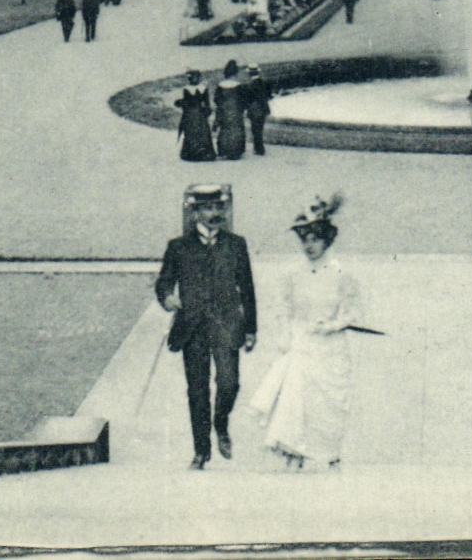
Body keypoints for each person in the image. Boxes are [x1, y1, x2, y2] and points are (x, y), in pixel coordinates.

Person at [250, 194, 361, 472]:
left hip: (331, 346)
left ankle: (330, 453)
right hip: (302, 342)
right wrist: (285, 336)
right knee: (297, 396)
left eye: (315, 239)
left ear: (327, 240)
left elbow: (352, 310)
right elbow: (284, 308)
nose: (309, 246)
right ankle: (294, 451)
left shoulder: (341, 273)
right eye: (305, 240)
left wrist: (332, 325)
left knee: (330, 402)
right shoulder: (293, 274)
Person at [155, 193, 258, 470]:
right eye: (208, 208)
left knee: (229, 383)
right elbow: (164, 281)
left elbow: (247, 287)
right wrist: (167, 298)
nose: (215, 213)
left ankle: (220, 422)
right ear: (196, 213)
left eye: (218, 207)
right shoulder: (178, 247)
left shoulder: (236, 245)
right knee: (197, 391)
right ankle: (201, 451)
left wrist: (250, 329)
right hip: (193, 328)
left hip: (227, 325)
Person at [176, 71, 216, 162]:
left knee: (190, 132)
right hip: (200, 115)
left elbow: (185, 103)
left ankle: (192, 153)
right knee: (203, 132)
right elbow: (207, 105)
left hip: (190, 114)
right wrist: (205, 114)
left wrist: (180, 104)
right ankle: (205, 152)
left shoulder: (186, 89)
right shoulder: (203, 88)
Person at [213, 60, 247, 160]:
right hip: (236, 110)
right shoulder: (238, 85)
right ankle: (236, 150)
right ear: (235, 73)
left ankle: (224, 150)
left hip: (224, 110)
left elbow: (216, 99)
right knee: (236, 129)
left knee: (225, 129)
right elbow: (243, 100)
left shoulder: (220, 85)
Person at [244, 65, 272, 155]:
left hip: (254, 109)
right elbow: (268, 95)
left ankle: (259, 148)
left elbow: (248, 98)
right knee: (260, 128)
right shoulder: (264, 83)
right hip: (263, 108)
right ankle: (259, 148)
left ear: (249, 73)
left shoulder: (250, 85)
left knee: (255, 129)